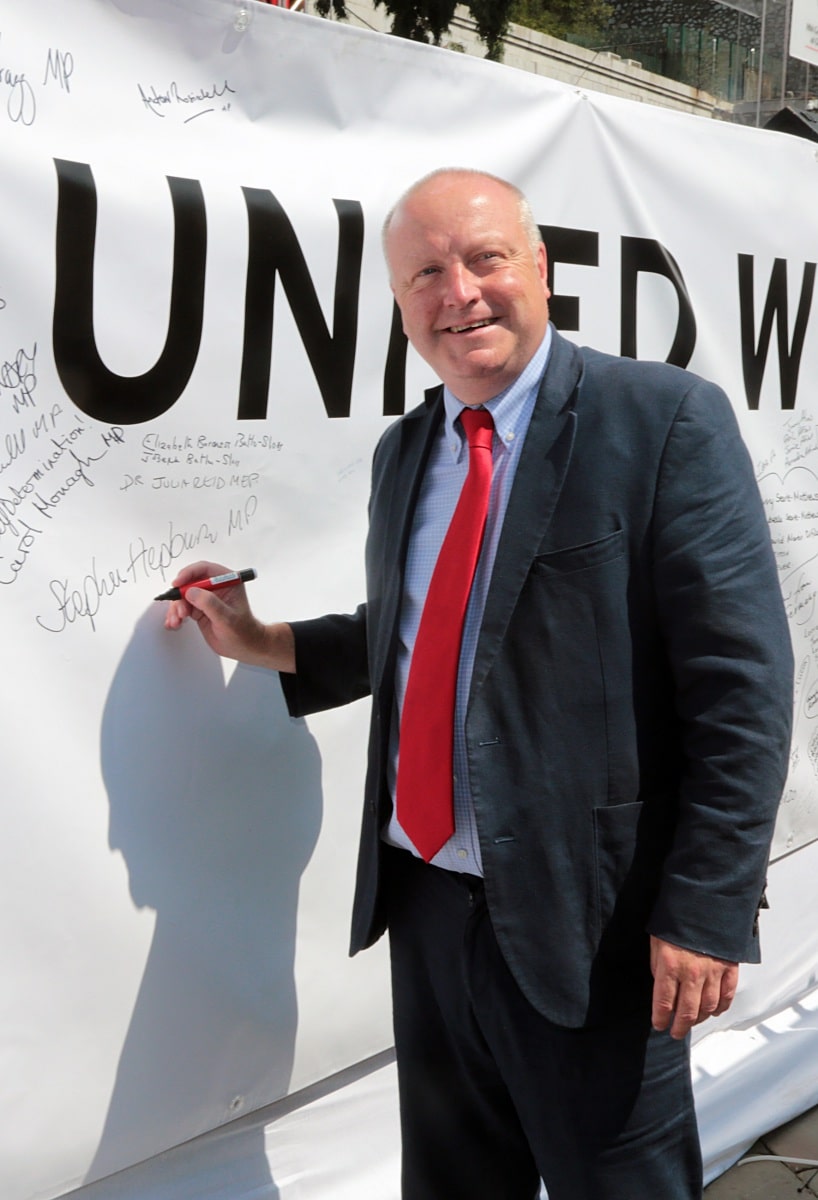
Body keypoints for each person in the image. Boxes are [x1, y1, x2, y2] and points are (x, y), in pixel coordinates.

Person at [164, 168, 794, 1199]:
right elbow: (419, 634)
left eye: (483, 259)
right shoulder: (406, 450)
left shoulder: (660, 419)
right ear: (400, 303)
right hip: (427, 911)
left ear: (539, 268)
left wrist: (706, 908)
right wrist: (259, 638)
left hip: (594, 924)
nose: (457, 293)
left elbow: (742, 687)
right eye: (424, 274)